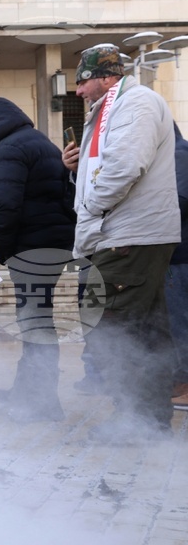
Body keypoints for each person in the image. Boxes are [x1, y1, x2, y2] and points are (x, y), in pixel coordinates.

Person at [61, 44, 181, 441]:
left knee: (110, 327)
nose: (78, 91)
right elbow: (114, 162)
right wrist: (79, 169)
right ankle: (149, 418)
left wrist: (92, 208)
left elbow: (126, 166)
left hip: (125, 236)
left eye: (83, 80)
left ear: (106, 77)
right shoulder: (116, 107)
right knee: (145, 328)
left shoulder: (135, 103)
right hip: (124, 235)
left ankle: (134, 419)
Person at [0, 96, 76, 422]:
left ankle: (44, 401)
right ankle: (27, 388)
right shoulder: (38, 142)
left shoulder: (8, 149)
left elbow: (4, 208)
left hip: (31, 247)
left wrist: (3, 248)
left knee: (35, 323)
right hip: (54, 242)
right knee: (36, 318)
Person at [167, 123, 188, 409]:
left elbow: (181, 202)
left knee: (179, 321)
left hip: (181, 255)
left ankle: (184, 382)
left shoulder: (178, 153)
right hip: (173, 254)